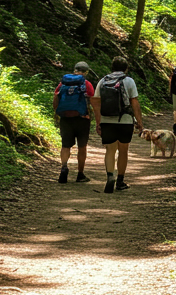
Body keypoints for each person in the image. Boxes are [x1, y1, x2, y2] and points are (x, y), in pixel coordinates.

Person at [92, 56, 143, 193]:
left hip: (106, 120)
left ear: (112, 67)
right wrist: (139, 122)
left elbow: (96, 103)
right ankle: (120, 181)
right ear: (126, 68)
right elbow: (134, 103)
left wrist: (98, 122)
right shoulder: (129, 81)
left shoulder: (103, 81)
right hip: (125, 121)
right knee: (123, 150)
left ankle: (110, 177)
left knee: (110, 150)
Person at [53, 61, 97, 183]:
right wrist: (94, 117)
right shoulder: (87, 84)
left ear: (74, 70)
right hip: (82, 119)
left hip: (65, 118)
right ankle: (80, 174)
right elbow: (92, 101)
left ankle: (64, 167)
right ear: (86, 72)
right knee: (82, 147)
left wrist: (57, 112)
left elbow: (56, 97)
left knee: (65, 145)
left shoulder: (63, 83)